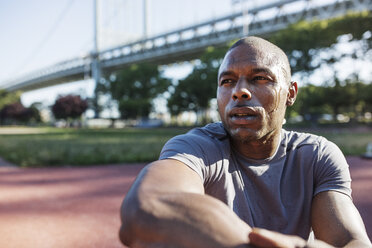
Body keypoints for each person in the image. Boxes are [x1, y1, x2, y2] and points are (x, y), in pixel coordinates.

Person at [119, 36, 372, 248]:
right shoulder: (197, 148)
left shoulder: (317, 155)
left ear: (291, 93)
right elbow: (146, 209)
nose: (239, 91)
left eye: (259, 78)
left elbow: (352, 241)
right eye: (227, 81)